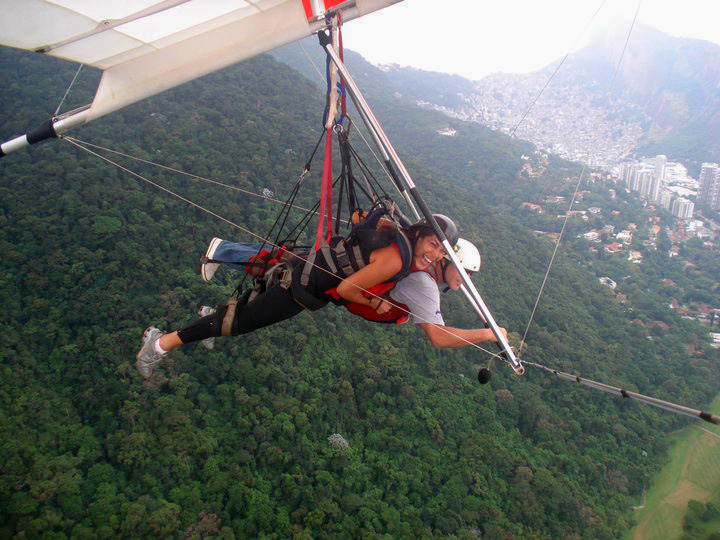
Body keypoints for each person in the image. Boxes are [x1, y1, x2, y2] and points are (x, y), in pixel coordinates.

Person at [135, 212, 453, 379]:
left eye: (440, 251)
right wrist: (374, 301)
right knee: (239, 323)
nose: (434, 254)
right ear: (419, 236)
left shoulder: (393, 234)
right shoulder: (397, 259)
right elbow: (345, 290)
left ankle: (208, 315)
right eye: (432, 244)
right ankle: (160, 344)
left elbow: (358, 219)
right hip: (301, 286)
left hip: (307, 268)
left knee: (248, 305)